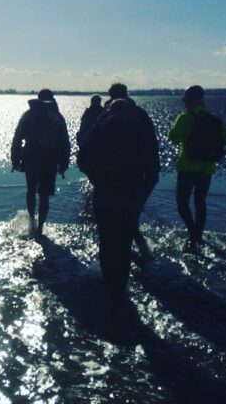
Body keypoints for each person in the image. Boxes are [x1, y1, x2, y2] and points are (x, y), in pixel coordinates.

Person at [77, 99, 152, 310]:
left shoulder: (98, 131)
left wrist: (94, 177)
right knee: (124, 244)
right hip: (130, 197)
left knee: (106, 240)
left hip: (104, 195)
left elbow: (82, 159)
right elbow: (150, 167)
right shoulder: (139, 133)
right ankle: (120, 288)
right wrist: (141, 191)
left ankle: (108, 281)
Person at [168, 85, 226, 252]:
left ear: (189, 102)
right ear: (202, 101)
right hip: (207, 169)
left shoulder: (185, 118)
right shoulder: (215, 120)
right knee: (200, 203)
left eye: (186, 101)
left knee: (182, 205)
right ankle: (198, 234)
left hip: (187, 167)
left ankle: (193, 233)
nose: (185, 105)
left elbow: (173, 137)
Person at [103, 83, 159, 260]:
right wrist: (153, 170)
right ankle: (137, 248)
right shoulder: (140, 113)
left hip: (117, 175)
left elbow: (93, 146)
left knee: (120, 215)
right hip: (140, 173)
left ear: (111, 96)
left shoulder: (107, 116)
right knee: (130, 212)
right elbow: (152, 142)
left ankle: (131, 250)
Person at [11, 89, 71, 240]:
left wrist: (15, 157)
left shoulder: (28, 115)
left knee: (31, 189)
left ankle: (32, 220)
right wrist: (64, 162)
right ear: (52, 99)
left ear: (38, 99)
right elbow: (65, 141)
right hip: (50, 159)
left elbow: (17, 137)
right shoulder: (57, 117)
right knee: (44, 194)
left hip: (31, 157)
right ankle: (41, 227)